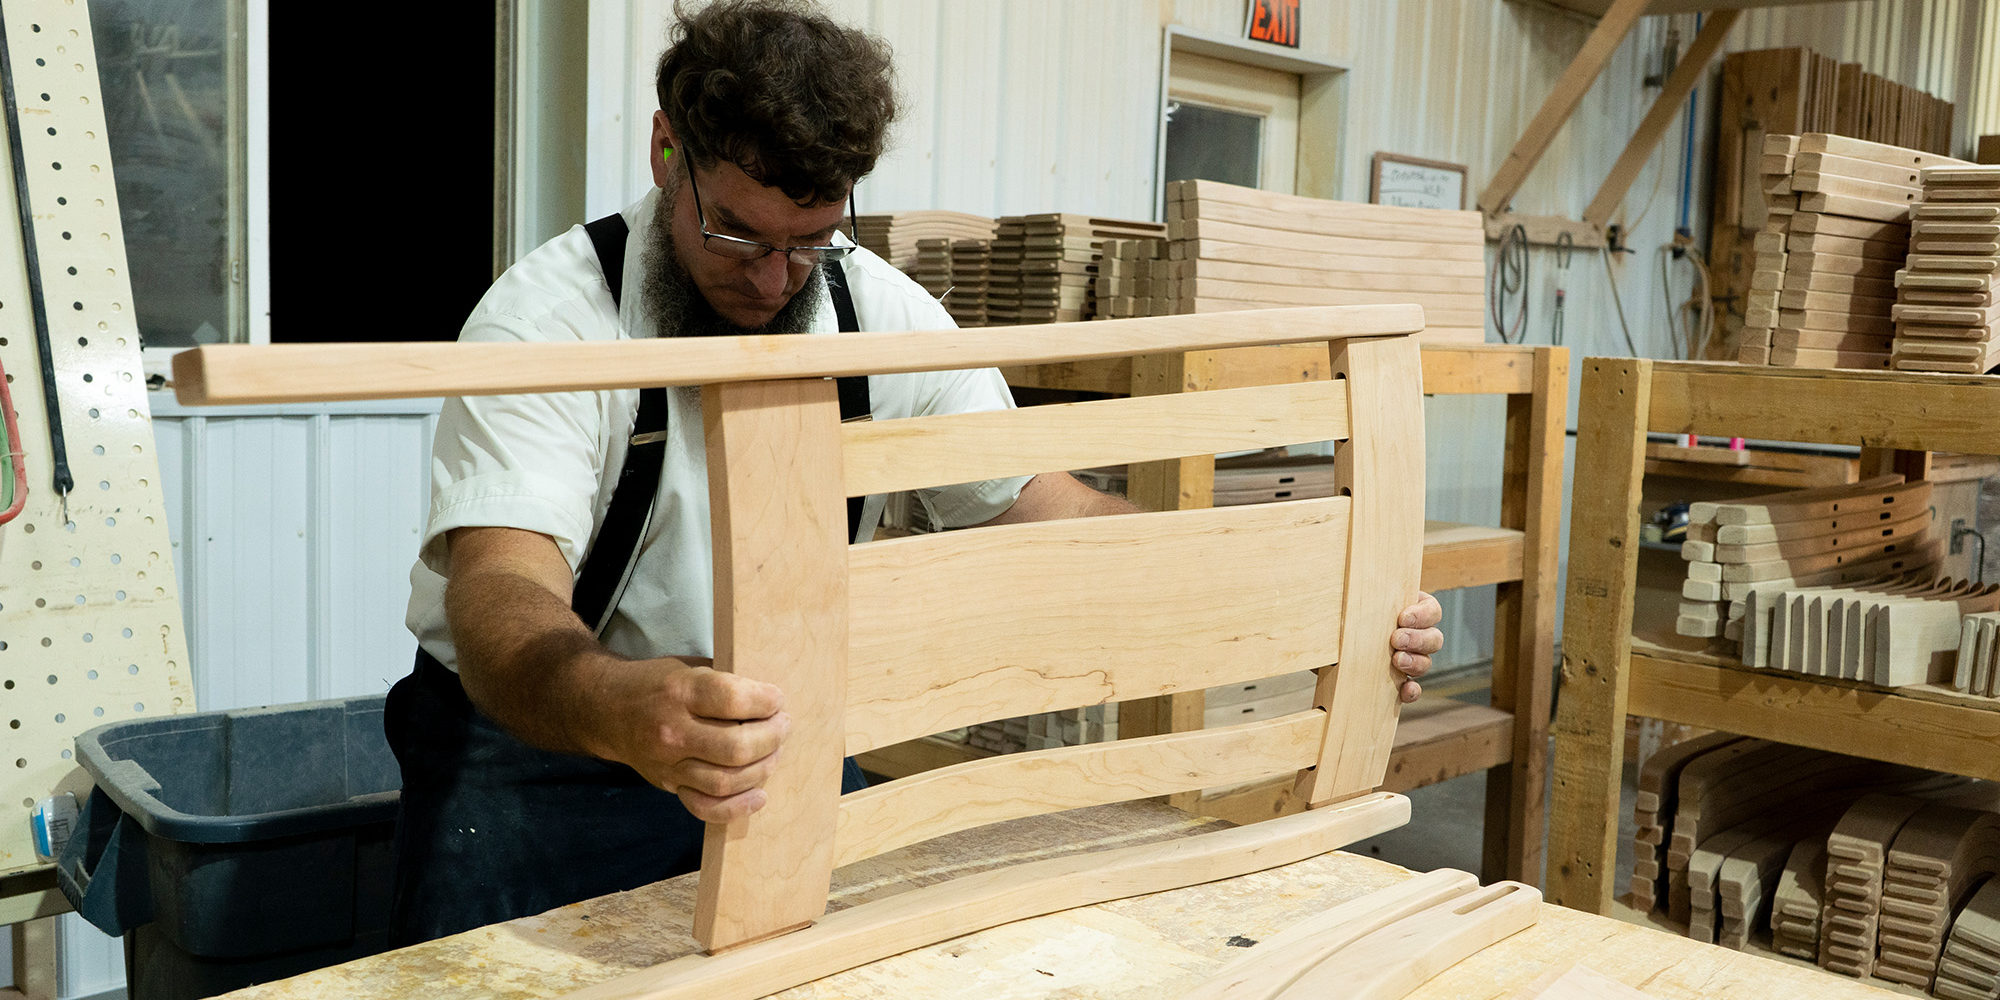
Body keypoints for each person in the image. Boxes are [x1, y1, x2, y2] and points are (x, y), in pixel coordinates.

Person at [385, 0, 1445, 947]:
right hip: (548, 744)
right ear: (669, 153)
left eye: (809, 240)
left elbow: (1045, 513)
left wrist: (1312, 600)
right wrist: (618, 709)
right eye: (736, 234)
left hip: (772, 746)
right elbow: (500, 595)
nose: (770, 277)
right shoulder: (548, 322)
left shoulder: (880, 318)